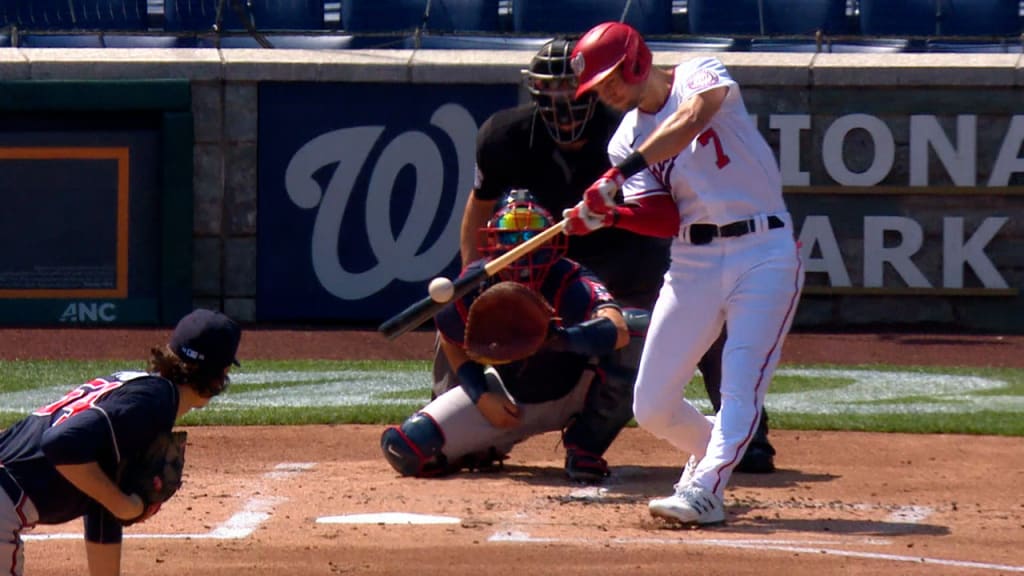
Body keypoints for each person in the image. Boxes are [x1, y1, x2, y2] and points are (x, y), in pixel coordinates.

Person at [452, 36, 776, 481]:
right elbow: (480, 205)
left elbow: (663, 205)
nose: (565, 106)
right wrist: (473, 279)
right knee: (468, 310)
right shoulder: (505, 135)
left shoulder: (628, 127)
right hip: (552, 269)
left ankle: (743, 435)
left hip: (630, 258)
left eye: (575, 91)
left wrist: (613, 206)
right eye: (552, 94)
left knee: (697, 323)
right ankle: (467, 416)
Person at [565, 21, 805, 524]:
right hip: (693, 261)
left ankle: (707, 488)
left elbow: (695, 118)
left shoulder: (697, 73)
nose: (606, 91)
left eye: (610, 77)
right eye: (597, 85)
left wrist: (618, 176)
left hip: (763, 250)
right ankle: (712, 456)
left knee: (740, 387)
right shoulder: (624, 139)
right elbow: (665, 218)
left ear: (636, 60)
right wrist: (610, 215)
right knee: (651, 404)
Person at [382, 190, 631, 479]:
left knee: (639, 328)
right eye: (512, 237)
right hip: (511, 400)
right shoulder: (474, 284)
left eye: (530, 236)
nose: (523, 248)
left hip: (576, 392)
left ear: (549, 238)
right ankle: (492, 445)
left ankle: (585, 445)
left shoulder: (568, 277)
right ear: (493, 240)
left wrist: (557, 339)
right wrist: (480, 395)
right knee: (407, 446)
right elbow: (451, 338)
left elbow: (619, 329)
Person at [0, 309, 242, 575]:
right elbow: (60, 443)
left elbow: (100, 499)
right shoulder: (152, 403)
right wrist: (123, 504)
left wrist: (115, 502)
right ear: (219, 375)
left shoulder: (139, 388)